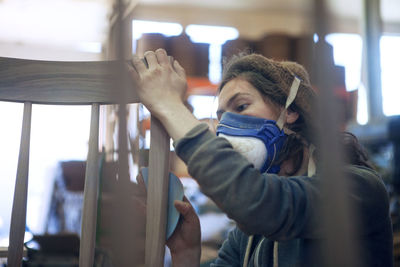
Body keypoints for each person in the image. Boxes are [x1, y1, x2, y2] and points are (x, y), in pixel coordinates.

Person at [128, 49, 393, 267]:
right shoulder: (248, 235)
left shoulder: (359, 188)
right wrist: (186, 253)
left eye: (241, 106)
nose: (227, 126)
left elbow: (261, 202)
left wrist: (170, 106)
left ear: (289, 110)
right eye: (222, 117)